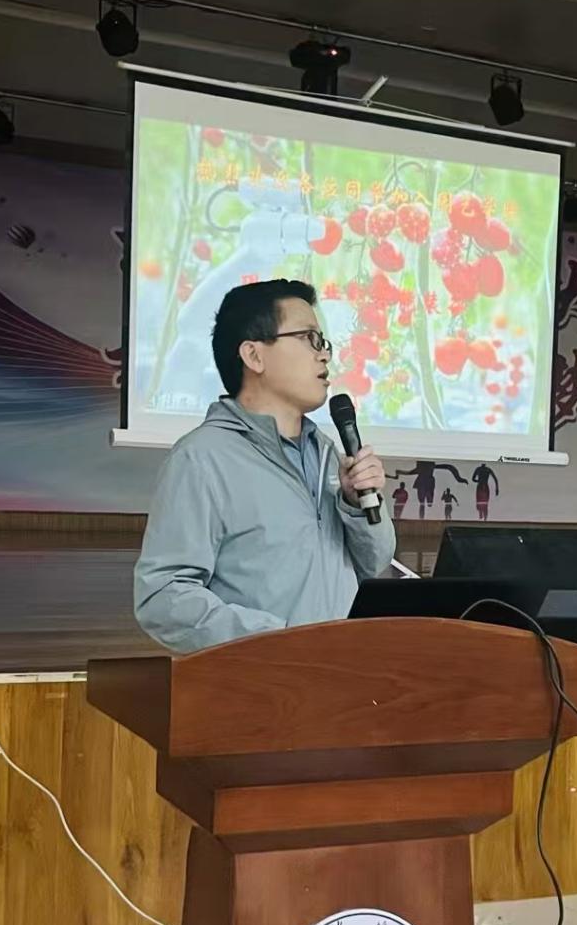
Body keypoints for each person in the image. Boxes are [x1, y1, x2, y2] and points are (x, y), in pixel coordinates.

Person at [135, 278, 395, 652]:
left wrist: (357, 506)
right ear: (254, 356)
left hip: (339, 670)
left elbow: (374, 563)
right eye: (309, 338)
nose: (324, 355)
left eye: (323, 342)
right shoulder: (203, 458)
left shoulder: (325, 452)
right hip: (263, 677)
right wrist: (275, 642)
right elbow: (163, 597)